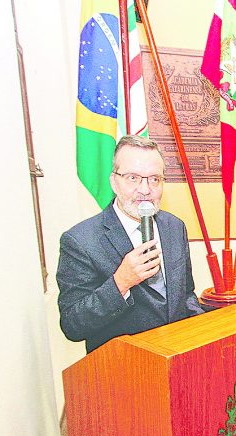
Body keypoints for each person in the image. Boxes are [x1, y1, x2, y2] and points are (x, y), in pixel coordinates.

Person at [56, 135, 204, 352]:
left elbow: (186, 293)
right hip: (124, 364)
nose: (145, 189)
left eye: (154, 179)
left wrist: (200, 333)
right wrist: (121, 282)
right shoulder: (80, 240)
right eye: (133, 178)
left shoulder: (174, 226)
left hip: (176, 356)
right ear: (114, 182)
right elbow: (72, 325)